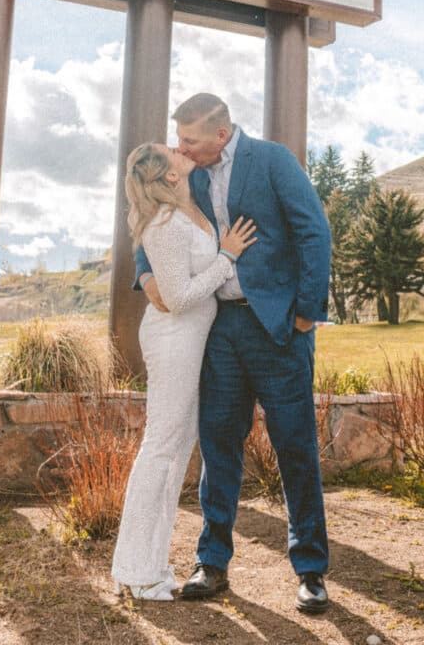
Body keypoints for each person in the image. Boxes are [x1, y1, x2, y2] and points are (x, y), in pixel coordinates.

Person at [135, 94, 332, 613]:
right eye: (179, 140)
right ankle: (212, 561)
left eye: (190, 140)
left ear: (221, 135)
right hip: (219, 329)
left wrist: (306, 314)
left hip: (278, 330)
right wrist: (145, 273)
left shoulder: (272, 161)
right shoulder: (189, 173)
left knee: (295, 447)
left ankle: (310, 569)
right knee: (218, 444)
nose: (181, 148)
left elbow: (314, 231)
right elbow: (151, 213)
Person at [111, 142, 257, 600]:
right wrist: (227, 258)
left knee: (175, 452)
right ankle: (134, 570)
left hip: (194, 343)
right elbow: (177, 298)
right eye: (171, 150)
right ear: (170, 176)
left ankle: (152, 566)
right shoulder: (166, 222)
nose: (180, 147)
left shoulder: (191, 209)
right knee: (160, 447)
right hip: (173, 340)